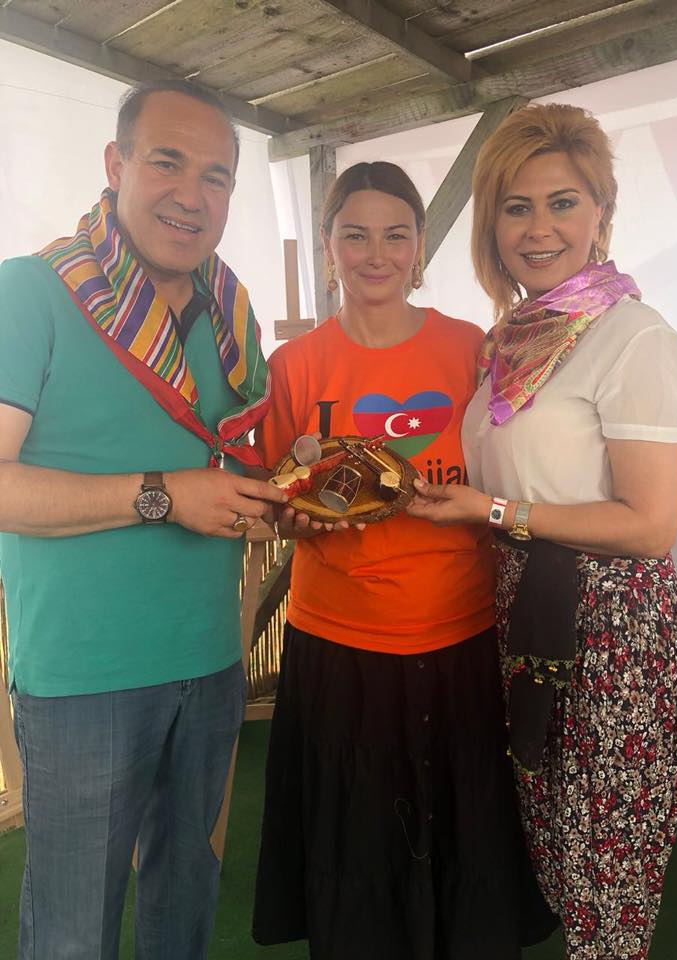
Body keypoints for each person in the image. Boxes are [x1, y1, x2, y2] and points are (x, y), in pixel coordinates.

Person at [0, 80, 288, 960]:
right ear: (116, 165)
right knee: (73, 928)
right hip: (83, 678)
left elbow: (232, 466)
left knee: (185, 900)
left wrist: (286, 495)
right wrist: (160, 494)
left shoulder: (227, 313)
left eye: (216, 177)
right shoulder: (30, 291)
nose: (191, 196)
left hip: (209, 661)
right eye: (167, 163)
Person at [408, 103, 677, 960]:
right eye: (516, 207)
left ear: (601, 212)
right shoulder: (512, 340)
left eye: (562, 203)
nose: (539, 230)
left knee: (605, 876)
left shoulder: (632, 338)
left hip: (614, 630)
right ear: (491, 226)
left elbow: (649, 526)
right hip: (528, 610)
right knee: (559, 860)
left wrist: (492, 513)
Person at [251, 161, 555, 959]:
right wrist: (297, 519)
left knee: (465, 852)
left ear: (420, 246)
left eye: (395, 235)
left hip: (460, 636)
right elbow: (273, 502)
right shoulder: (294, 367)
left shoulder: (472, 351)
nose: (376, 254)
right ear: (329, 246)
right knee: (357, 857)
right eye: (355, 235)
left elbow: (511, 473)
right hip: (338, 642)